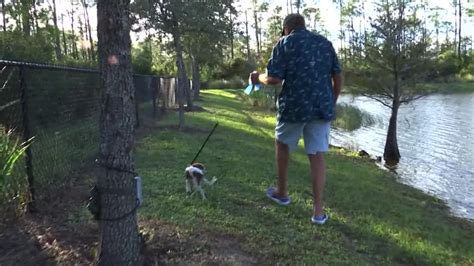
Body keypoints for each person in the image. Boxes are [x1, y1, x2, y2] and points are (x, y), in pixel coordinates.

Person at [249, 13, 343, 225]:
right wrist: (331, 100)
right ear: (304, 26)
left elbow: (273, 78)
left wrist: (257, 77)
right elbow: (337, 75)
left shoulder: (285, 43)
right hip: (321, 107)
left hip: (293, 107)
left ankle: (282, 192)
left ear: (286, 28)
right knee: (317, 155)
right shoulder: (324, 43)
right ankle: (318, 213)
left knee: (283, 145)